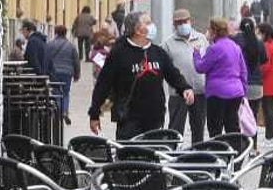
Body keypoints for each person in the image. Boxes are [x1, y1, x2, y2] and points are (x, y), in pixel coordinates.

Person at [88, 11, 194, 139]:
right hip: (128, 118)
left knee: (152, 155)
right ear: (137, 30)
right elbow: (103, 84)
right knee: (130, 156)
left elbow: (173, 74)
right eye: (148, 23)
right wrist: (94, 114)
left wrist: (185, 88)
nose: (152, 26)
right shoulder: (119, 53)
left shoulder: (158, 52)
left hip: (154, 117)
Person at [195, 16, 246, 135]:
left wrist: (196, 54)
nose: (207, 31)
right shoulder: (235, 47)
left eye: (209, 28)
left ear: (214, 31)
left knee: (215, 127)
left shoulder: (214, 49)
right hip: (236, 92)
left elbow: (200, 67)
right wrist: (243, 90)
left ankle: (218, 151)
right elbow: (243, 71)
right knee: (232, 126)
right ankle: (235, 151)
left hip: (217, 93)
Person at [163, 8, 207, 144]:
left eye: (185, 21)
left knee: (198, 127)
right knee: (175, 129)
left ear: (190, 21)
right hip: (178, 93)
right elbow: (166, 68)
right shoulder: (168, 43)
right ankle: (173, 153)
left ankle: (197, 154)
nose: (183, 25)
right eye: (179, 23)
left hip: (200, 90)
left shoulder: (201, 38)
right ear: (175, 25)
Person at [233, 13, 269, 148]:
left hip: (239, 85)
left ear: (240, 28)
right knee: (252, 117)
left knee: (238, 118)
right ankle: (253, 147)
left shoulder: (235, 40)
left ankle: (240, 145)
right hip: (256, 85)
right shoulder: (258, 42)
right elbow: (265, 60)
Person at [40, 24, 81, 123]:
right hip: (67, 73)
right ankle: (65, 111)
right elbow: (76, 61)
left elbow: (46, 59)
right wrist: (77, 74)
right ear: (65, 33)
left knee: (56, 92)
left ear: (55, 33)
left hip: (54, 72)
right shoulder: (71, 46)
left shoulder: (50, 45)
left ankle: (58, 110)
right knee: (66, 93)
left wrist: (44, 73)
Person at [256, 22, 273, 142]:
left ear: (264, 33)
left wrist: (257, 73)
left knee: (268, 110)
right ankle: (270, 136)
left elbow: (265, 65)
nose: (257, 35)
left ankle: (269, 137)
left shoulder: (267, 45)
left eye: (259, 32)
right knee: (270, 108)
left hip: (267, 81)